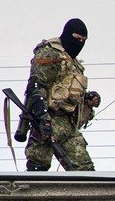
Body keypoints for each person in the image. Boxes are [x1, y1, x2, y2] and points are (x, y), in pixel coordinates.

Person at [23, 18, 100, 171]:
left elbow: (69, 92)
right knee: (38, 168)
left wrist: (87, 99)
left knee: (86, 173)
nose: (79, 43)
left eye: (83, 40)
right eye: (76, 38)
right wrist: (43, 118)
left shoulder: (74, 63)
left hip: (69, 126)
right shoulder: (50, 53)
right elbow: (36, 86)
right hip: (48, 122)